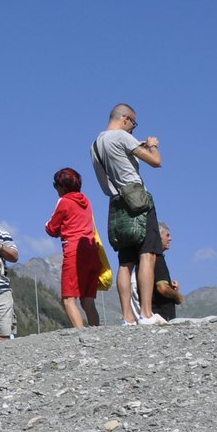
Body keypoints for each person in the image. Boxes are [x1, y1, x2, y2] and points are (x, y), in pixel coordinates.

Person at [91, 103, 165, 326]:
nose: (133, 129)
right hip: (138, 199)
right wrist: (152, 146)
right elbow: (156, 162)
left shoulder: (95, 144)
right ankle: (147, 313)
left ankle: (127, 318)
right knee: (147, 254)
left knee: (125, 261)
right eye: (133, 123)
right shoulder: (122, 137)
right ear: (125, 119)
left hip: (116, 201)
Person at [45, 167, 101, 328]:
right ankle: (96, 334)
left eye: (56, 185)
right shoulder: (86, 200)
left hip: (75, 252)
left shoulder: (64, 202)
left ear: (62, 186)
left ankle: (81, 335)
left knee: (69, 299)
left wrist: (48, 225)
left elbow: (52, 229)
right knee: (88, 300)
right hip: (92, 251)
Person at [149, 222, 182, 321]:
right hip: (161, 317)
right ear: (158, 237)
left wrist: (171, 287)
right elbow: (162, 288)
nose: (170, 238)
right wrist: (178, 297)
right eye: (167, 235)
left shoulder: (151, 258)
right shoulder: (157, 259)